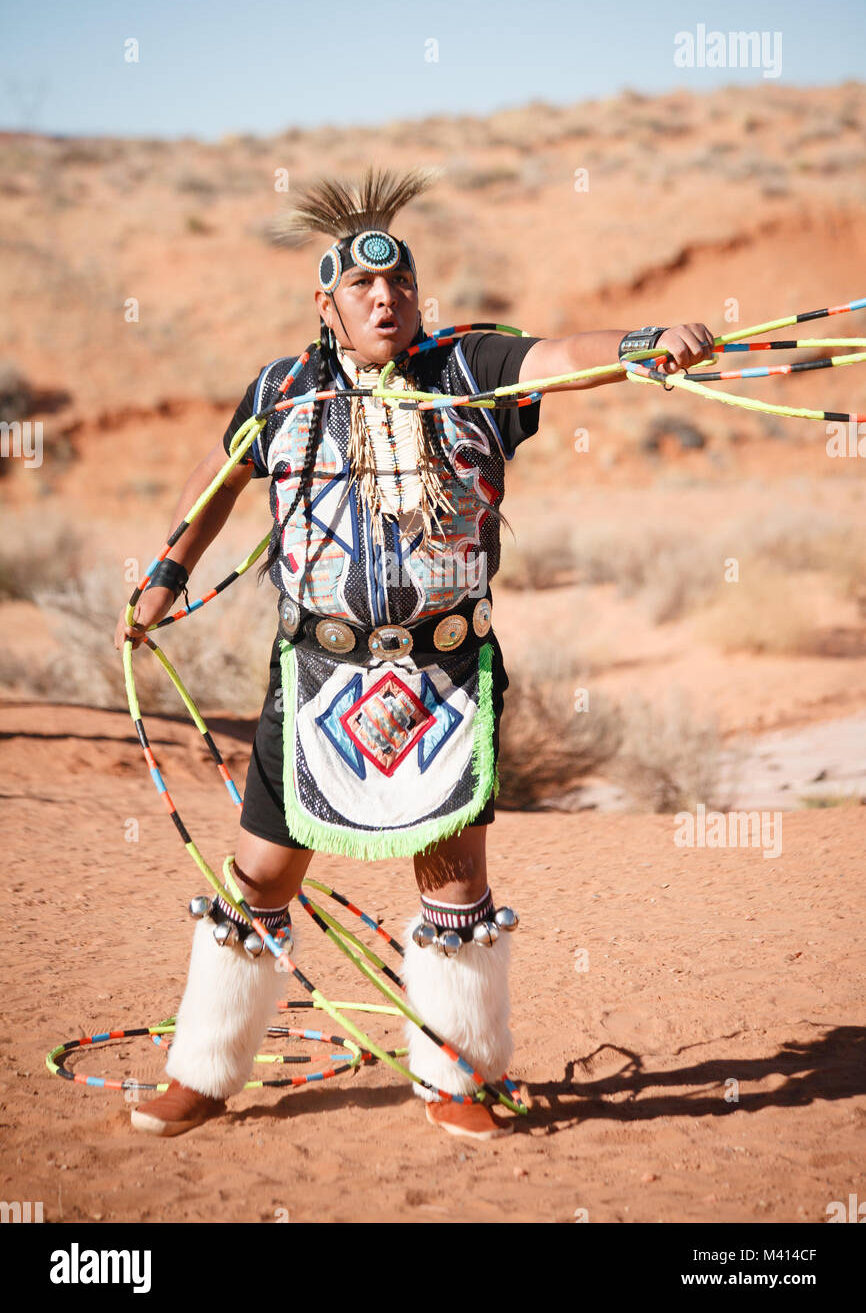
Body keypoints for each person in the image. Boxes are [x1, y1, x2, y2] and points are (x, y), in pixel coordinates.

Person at [114, 167, 714, 1140]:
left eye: (398, 285)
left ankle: (458, 1078)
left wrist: (645, 346)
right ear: (327, 303)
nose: (384, 299)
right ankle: (204, 1070)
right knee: (262, 875)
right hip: (314, 677)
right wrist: (163, 577)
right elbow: (216, 479)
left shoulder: (468, 369)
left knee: (451, 879)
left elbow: (560, 353)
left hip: (443, 675)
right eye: (361, 287)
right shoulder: (282, 391)